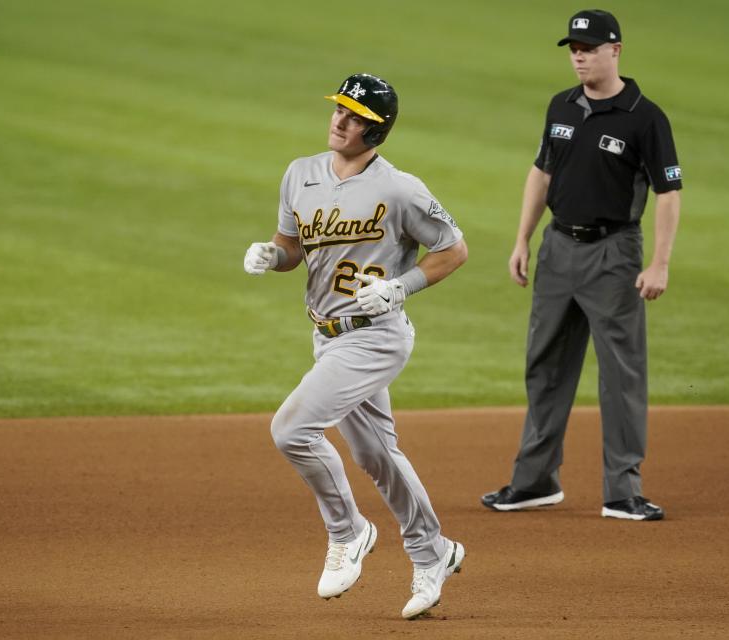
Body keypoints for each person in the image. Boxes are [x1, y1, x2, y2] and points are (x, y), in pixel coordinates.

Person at [243, 73, 468, 618]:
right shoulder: (301, 174)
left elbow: (453, 250)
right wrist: (273, 258)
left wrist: (399, 287)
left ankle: (349, 531)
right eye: (338, 110)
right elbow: (293, 247)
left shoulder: (400, 189)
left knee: (292, 430)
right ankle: (432, 550)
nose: (339, 121)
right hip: (326, 336)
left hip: (375, 340)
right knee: (375, 454)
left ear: (377, 130)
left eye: (353, 116)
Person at [481, 9, 682, 521]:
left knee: (621, 374)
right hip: (557, 249)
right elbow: (541, 172)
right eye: (573, 47)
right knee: (544, 365)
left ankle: (623, 490)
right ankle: (534, 482)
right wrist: (522, 238)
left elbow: (668, 193)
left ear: (615, 51)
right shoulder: (561, 106)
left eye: (589, 48)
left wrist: (659, 263)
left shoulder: (645, 116)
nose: (579, 56)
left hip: (614, 253)